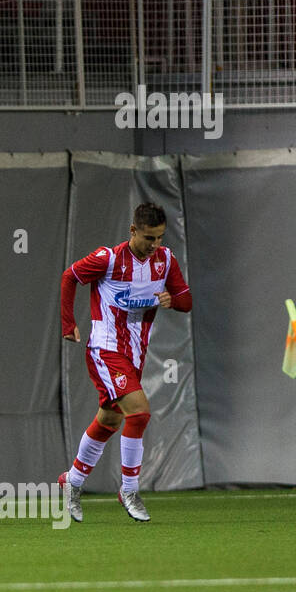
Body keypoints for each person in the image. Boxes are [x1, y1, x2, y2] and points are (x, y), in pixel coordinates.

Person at [58, 202, 192, 523]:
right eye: (149, 238)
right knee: (140, 413)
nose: (155, 245)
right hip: (105, 349)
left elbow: (186, 300)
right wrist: (68, 323)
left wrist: (172, 300)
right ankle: (129, 490)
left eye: (160, 237)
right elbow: (69, 276)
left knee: (110, 420)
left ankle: (72, 482)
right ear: (133, 231)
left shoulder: (166, 260)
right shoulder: (109, 259)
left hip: (134, 354)